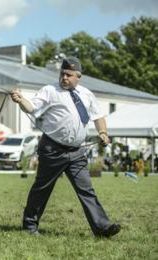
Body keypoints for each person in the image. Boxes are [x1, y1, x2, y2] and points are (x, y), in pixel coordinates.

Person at [10, 56, 121, 237]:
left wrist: (103, 133)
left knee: (86, 190)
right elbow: (31, 107)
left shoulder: (86, 94)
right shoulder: (49, 90)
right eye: (62, 73)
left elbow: (98, 116)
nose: (64, 78)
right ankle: (30, 226)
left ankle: (102, 228)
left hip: (77, 152)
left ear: (78, 76)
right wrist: (20, 100)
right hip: (52, 149)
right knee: (42, 188)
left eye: (69, 75)